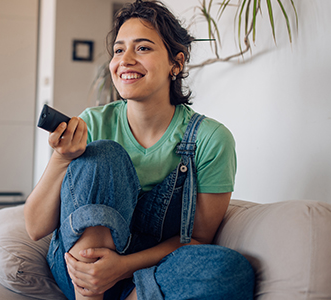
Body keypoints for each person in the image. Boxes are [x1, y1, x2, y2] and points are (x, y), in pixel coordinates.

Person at [24, 1, 255, 299]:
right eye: (119, 50)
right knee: (105, 154)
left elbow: (197, 239)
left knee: (230, 269)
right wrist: (61, 158)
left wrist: (121, 267)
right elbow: (34, 227)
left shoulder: (210, 139)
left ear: (177, 63)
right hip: (79, 273)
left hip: (151, 270)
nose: (126, 60)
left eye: (143, 48)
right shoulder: (94, 122)